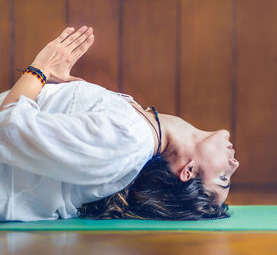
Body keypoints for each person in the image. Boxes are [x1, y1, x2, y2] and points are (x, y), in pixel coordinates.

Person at [0, 26, 239, 222]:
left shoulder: (130, 140)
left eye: (223, 177)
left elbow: (8, 129)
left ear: (188, 171)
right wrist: (60, 83)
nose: (234, 164)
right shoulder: (134, 132)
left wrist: (40, 69)